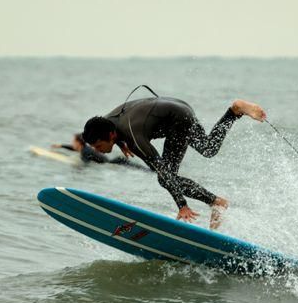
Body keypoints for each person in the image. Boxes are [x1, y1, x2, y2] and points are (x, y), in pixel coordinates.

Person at [82, 97, 266, 229]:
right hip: (177, 106)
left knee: (164, 178)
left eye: (99, 145)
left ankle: (216, 202)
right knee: (208, 148)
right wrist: (119, 142)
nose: (97, 150)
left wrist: (182, 205)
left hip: (177, 120)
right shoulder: (104, 123)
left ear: (111, 135)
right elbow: (114, 129)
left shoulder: (134, 137)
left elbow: (162, 170)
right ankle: (234, 111)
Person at [51, 133, 147, 169]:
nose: (72, 143)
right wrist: (61, 146)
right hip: (114, 161)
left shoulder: (85, 152)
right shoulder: (84, 148)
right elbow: (73, 148)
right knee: (140, 168)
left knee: (141, 169)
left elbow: (86, 164)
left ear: (78, 143)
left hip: (111, 163)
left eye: (73, 141)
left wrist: (77, 166)